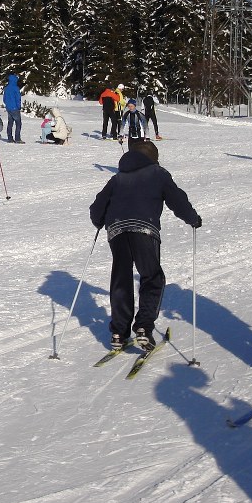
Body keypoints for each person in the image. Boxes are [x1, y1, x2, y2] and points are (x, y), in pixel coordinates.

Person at [89, 141, 201, 351]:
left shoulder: (117, 178)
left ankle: (118, 332)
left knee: (121, 279)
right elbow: (177, 199)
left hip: (117, 230)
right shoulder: (157, 173)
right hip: (144, 228)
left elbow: (97, 207)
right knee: (152, 276)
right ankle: (143, 327)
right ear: (153, 158)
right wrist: (192, 218)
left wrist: (99, 221)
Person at [2, 73, 23, 144]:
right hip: (15, 108)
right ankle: (17, 138)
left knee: (10, 123)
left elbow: (4, 99)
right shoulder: (16, 88)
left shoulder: (6, 88)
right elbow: (18, 98)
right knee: (18, 123)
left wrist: (7, 105)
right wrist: (19, 106)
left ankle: (10, 138)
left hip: (9, 108)